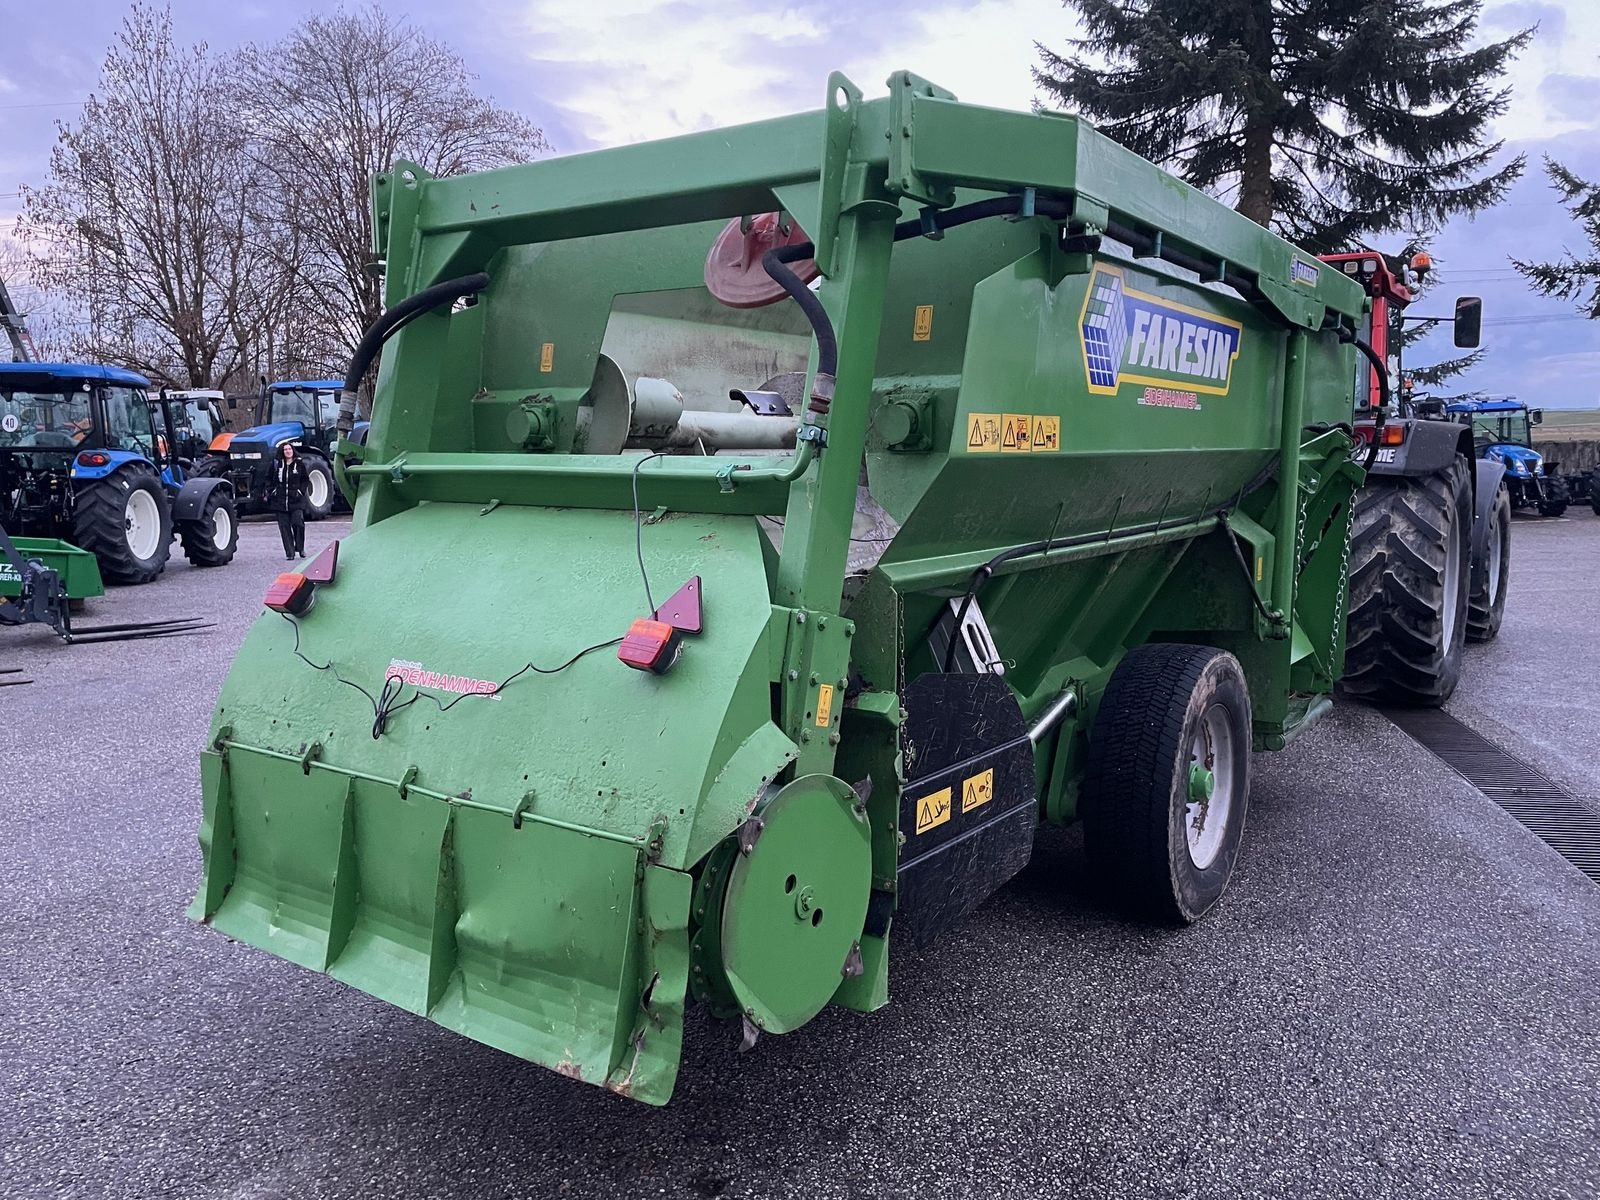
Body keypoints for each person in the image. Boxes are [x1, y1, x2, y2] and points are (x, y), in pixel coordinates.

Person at [267, 442, 308, 560]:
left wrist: (300, 491)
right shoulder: (276, 464)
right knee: (284, 527)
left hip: (296, 500)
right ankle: (290, 552)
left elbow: (305, 480)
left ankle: (300, 548)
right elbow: (268, 479)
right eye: (285, 450)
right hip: (280, 502)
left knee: (298, 523)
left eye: (289, 449)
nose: (288, 451)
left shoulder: (299, 464)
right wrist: (272, 491)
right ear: (282, 452)